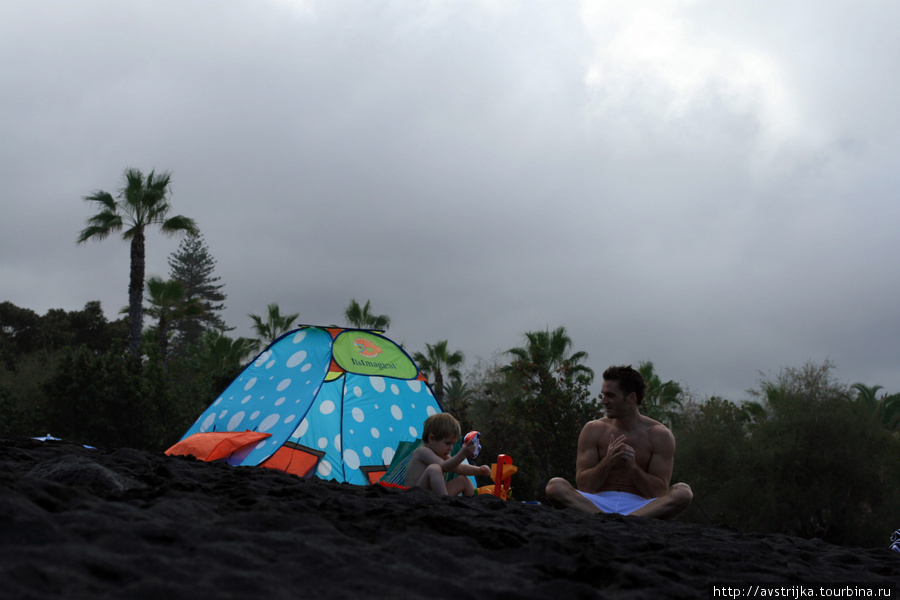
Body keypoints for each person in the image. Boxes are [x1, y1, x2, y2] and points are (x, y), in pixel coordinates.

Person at [545, 365, 692, 519]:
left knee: (683, 492)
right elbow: (585, 486)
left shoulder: (659, 435)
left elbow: (658, 492)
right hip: (596, 503)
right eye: (603, 395)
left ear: (631, 398)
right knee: (555, 486)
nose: (603, 401)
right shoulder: (593, 429)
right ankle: (606, 517)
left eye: (610, 396)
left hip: (639, 505)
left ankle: (630, 519)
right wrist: (607, 462)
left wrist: (633, 468)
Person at [404, 413, 491, 496]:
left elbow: (459, 468)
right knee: (434, 468)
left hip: (433, 495)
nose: (451, 448)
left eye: (453, 444)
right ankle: (445, 501)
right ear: (432, 438)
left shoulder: (442, 454)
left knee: (462, 480)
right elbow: (444, 466)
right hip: (416, 494)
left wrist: (479, 470)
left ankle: (475, 502)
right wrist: (462, 454)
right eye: (448, 443)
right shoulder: (423, 452)